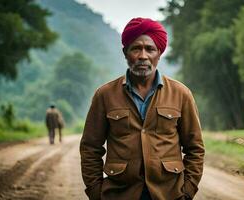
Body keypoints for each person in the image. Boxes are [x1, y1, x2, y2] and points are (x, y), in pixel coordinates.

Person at [80, 17, 205, 200]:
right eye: (136, 48)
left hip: (169, 194)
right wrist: (95, 192)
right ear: (125, 52)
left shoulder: (181, 94)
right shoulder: (105, 95)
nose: (143, 56)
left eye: (150, 49)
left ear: (159, 53)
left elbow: (195, 148)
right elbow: (90, 148)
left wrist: (187, 192)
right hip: (120, 194)